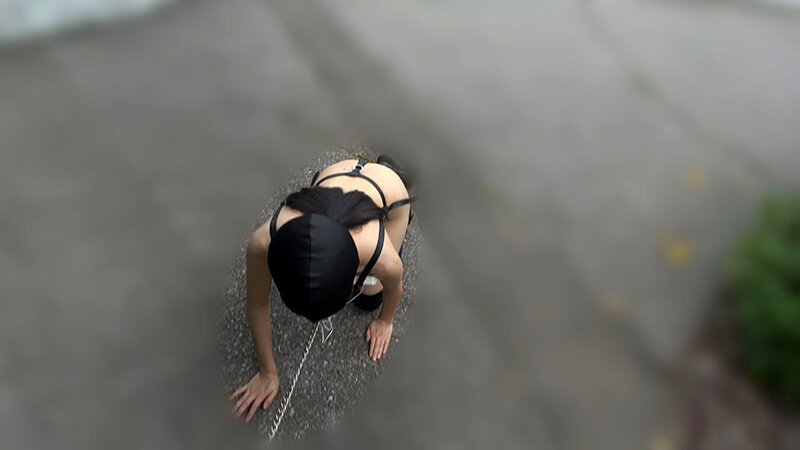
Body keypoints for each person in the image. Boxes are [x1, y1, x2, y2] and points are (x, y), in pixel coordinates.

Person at [230, 155, 415, 422]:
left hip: (389, 191)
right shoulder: (263, 242)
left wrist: (386, 321)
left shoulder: (380, 256)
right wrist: (267, 373)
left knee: (368, 300)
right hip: (338, 177)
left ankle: (389, 172)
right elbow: (257, 304)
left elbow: (394, 287)